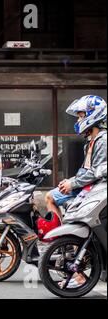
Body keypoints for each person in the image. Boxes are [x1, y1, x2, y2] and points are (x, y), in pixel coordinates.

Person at [47, 95, 107, 289]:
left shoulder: (103, 141)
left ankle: (76, 255)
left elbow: (97, 171)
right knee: (52, 198)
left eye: (81, 116)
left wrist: (72, 183)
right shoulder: (90, 141)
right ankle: (67, 239)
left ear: (93, 116)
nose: (78, 120)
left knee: (77, 217)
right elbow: (87, 170)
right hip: (88, 186)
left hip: (97, 188)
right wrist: (71, 182)